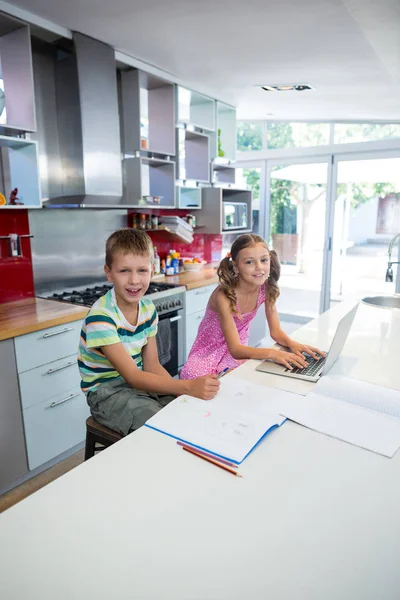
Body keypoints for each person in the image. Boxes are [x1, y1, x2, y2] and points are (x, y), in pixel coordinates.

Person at [78, 228, 219, 435]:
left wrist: (181, 390)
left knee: (185, 407)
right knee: (164, 424)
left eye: (142, 271)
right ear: (109, 273)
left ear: (152, 271)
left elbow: (152, 365)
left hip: (137, 382)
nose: (134, 280)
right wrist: (187, 386)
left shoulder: (147, 309)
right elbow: (134, 376)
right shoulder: (102, 317)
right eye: (124, 271)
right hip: (107, 393)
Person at [180, 233, 325, 379]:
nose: (259, 267)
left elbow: (275, 332)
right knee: (192, 376)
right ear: (236, 267)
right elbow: (235, 349)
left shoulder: (266, 288)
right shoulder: (223, 295)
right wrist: (272, 353)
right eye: (249, 262)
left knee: (239, 382)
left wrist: (293, 344)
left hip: (240, 349)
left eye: (264, 260)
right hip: (210, 351)